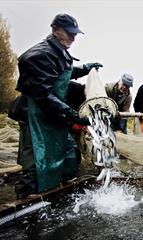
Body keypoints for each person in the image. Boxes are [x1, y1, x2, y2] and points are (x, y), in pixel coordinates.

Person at [13, 13, 103, 198]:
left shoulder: (58, 51)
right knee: (36, 165)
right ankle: (24, 208)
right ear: (55, 30)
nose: (73, 37)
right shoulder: (38, 55)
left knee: (69, 158)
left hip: (54, 115)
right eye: (69, 33)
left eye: (75, 34)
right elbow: (44, 95)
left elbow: (61, 73)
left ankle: (57, 196)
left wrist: (84, 68)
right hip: (36, 116)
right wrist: (74, 115)